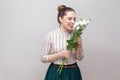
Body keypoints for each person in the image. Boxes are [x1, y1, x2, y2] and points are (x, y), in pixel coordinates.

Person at [40, 4, 84, 80]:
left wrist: (79, 46)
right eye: (69, 19)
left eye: (74, 19)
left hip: (73, 72)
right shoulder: (51, 35)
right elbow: (43, 58)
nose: (73, 22)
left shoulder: (76, 34)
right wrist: (60, 54)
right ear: (61, 19)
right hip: (56, 73)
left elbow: (79, 58)